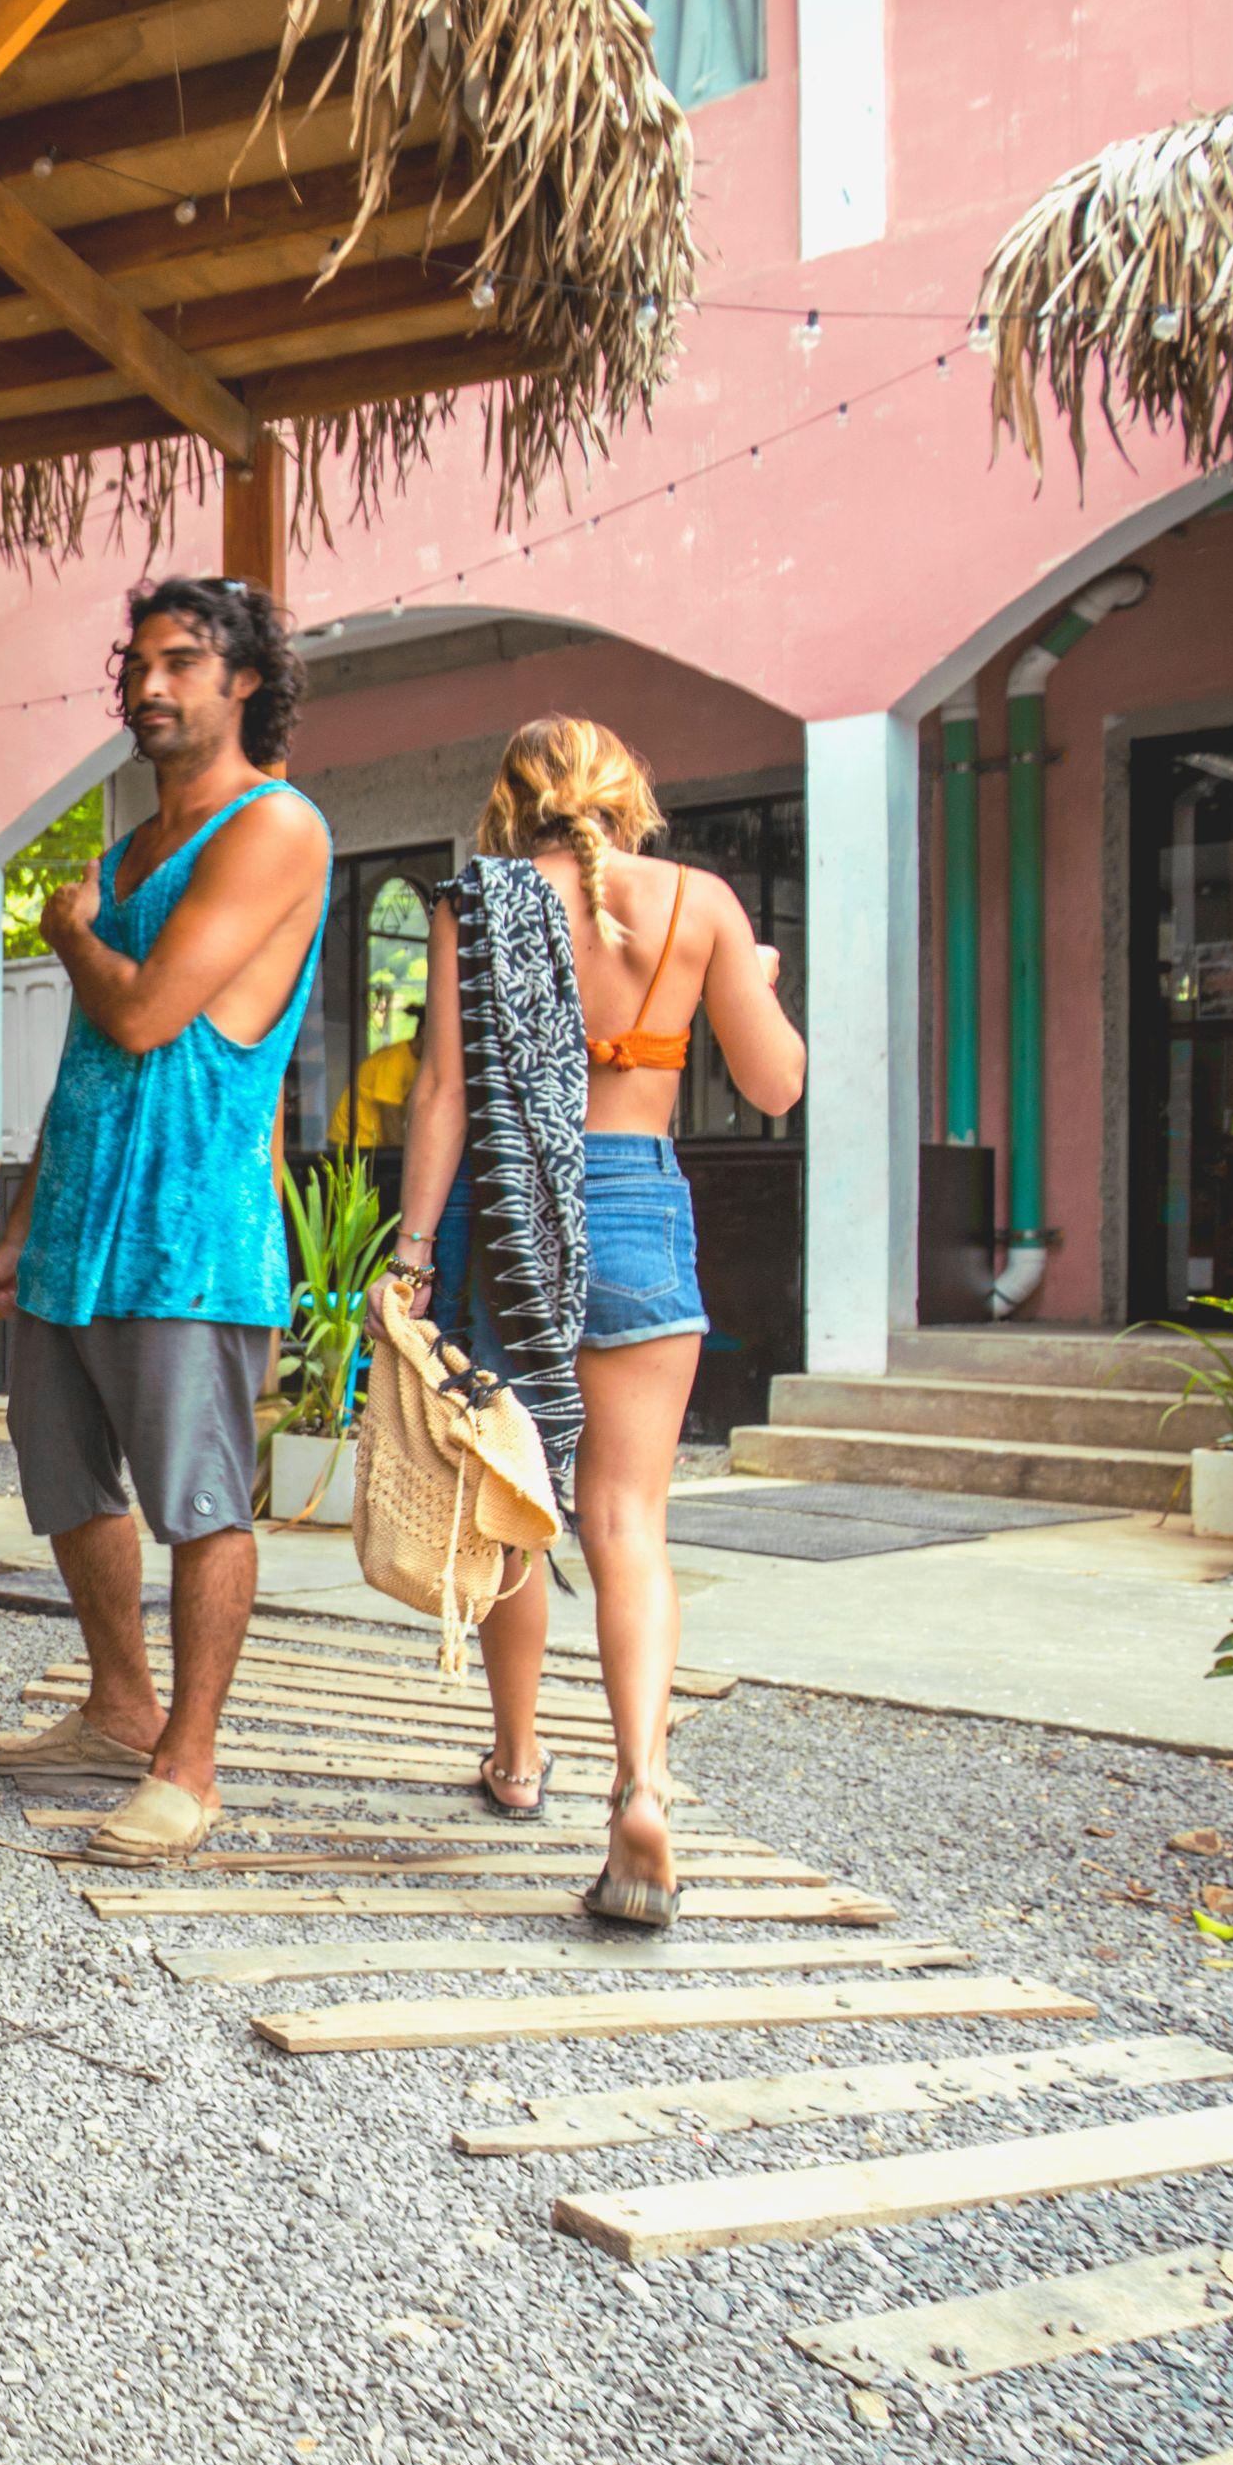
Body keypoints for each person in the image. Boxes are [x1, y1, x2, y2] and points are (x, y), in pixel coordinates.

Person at [390, 717, 805, 1921]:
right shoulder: (700, 903)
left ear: (510, 802)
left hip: (516, 1211)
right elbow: (774, 1082)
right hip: (635, 1200)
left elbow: (442, 1091)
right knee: (629, 1519)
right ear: (630, 794)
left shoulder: (479, 903)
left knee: (516, 1506)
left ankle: (517, 1763)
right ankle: (644, 1785)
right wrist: (757, 981)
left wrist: (414, 1253)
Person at [0, 576, 332, 1864]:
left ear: (243, 680)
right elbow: (83, 1061)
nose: (147, 685)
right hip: (76, 1221)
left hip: (189, 1226)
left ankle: (191, 1761)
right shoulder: (126, 847)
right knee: (64, 1477)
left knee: (200, 1499)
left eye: (181, 661)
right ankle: (119, 1706)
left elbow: (139, 1013)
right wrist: (18, 1223)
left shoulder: (274, 825)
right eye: (136, 662)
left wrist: (69, 932)